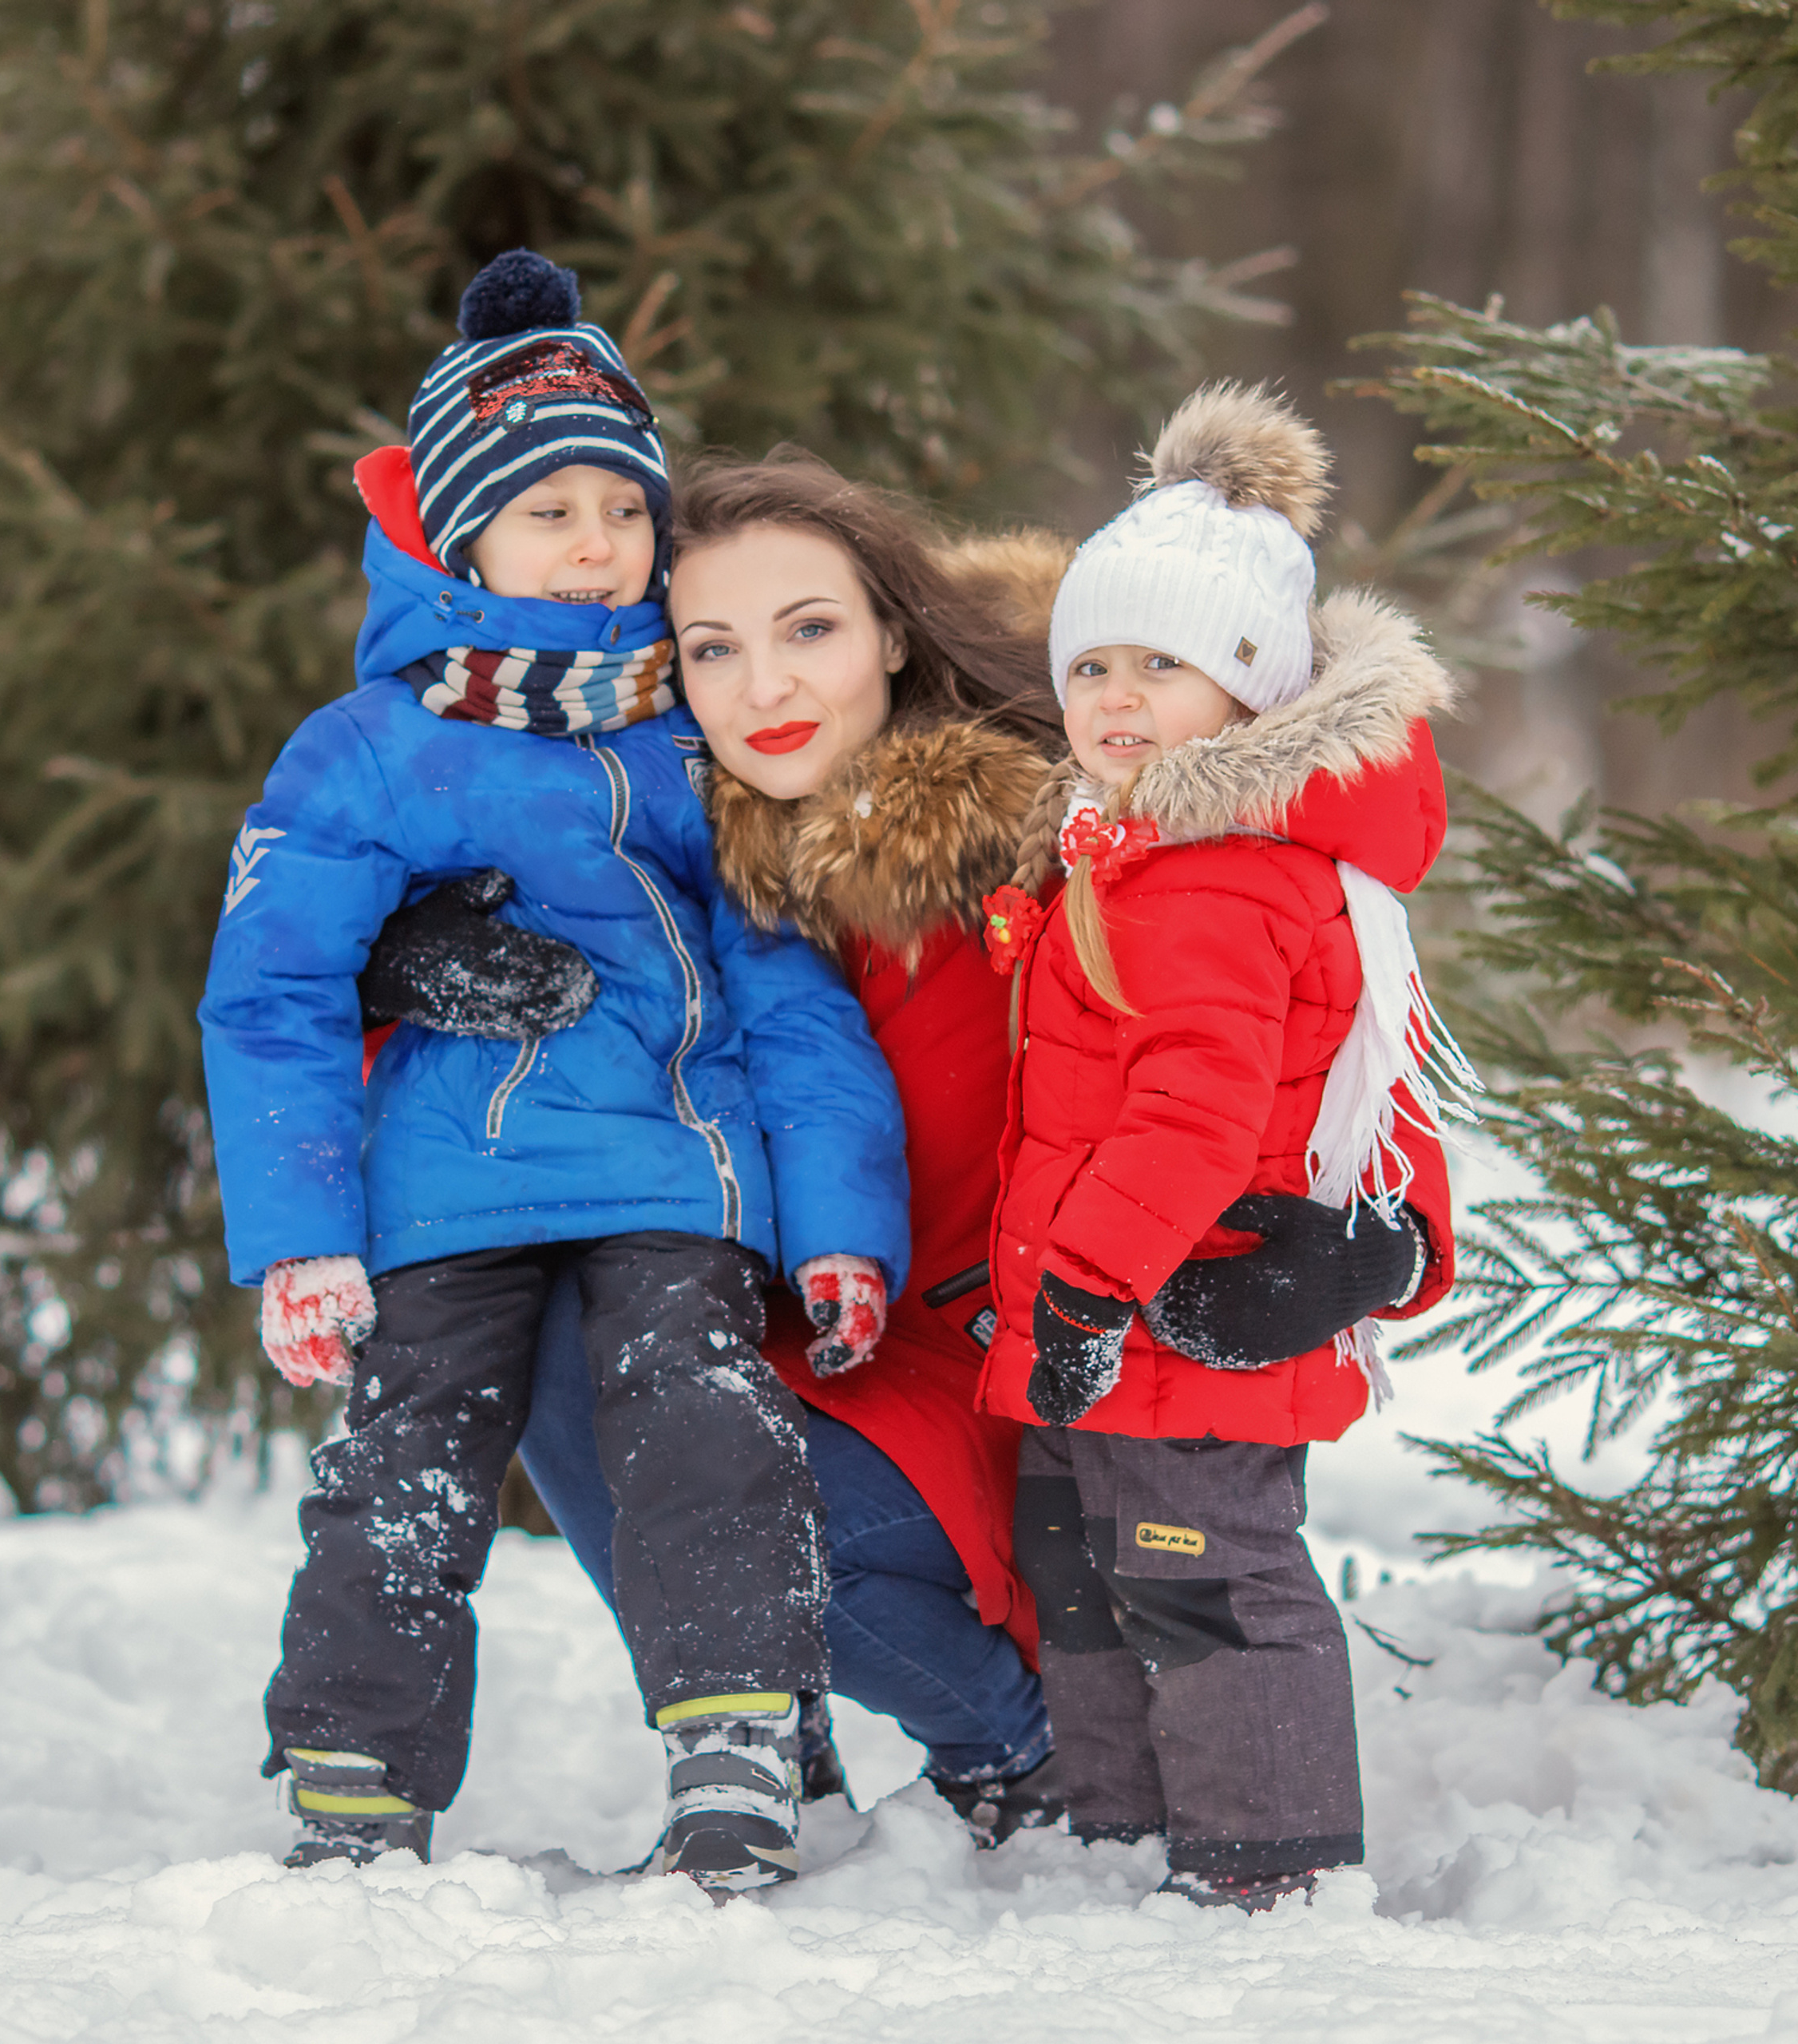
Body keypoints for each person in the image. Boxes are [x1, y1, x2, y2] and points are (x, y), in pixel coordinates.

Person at [363, 445, 1452, 1844]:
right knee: (584, 1347)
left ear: (892, 627)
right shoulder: (665, 857)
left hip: (1049, 1377)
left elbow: (1319, 992)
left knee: (708, 1481)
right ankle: (754, 1716)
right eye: (713, 646)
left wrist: (1390, 1243)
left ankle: (1016, 1738)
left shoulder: (1068, 806)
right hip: (823, 1348)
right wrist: (387, 978)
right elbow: (531, 1118)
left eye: (809, 630)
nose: (767, 688)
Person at [198, 252, 911, 1896]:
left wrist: (837, 1220)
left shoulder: (696, 726)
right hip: (446, 1179)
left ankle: (739, 1738)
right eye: (547, 512)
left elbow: (789, 986)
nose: (596, 545)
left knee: (704, 1416)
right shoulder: (368, 744)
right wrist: (299, 1229)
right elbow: (273, 983)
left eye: (620, 505)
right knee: (405, 1457)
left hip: (676, 1164)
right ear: (462, 539)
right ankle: (353, 1768)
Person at [976, 382, 1466, 1911]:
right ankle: (1126, 1831)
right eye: (1093, 667)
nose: (1118, 699)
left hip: (1188, 1310)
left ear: (1254, 694)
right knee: (1098, 1578)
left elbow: (1192, 1109)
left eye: (1166, 668)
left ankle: (1269, 1862)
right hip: (1119, 1322)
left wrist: (1087, 1287)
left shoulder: (1217, 880)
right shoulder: (1126, 857)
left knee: (1208, 1582)